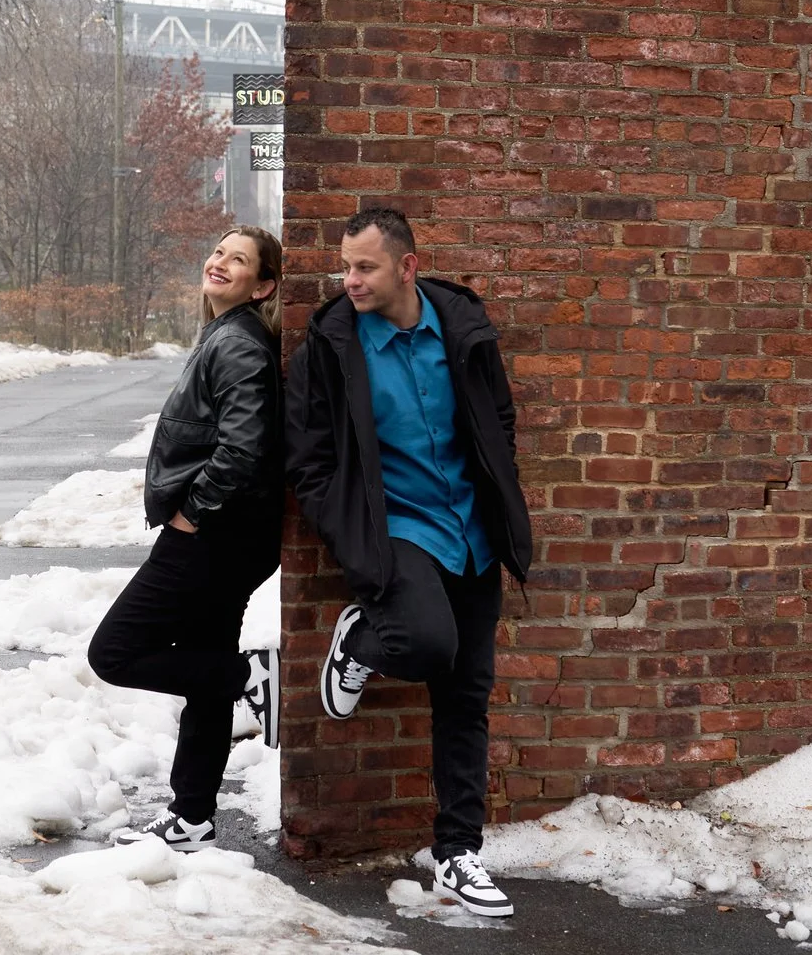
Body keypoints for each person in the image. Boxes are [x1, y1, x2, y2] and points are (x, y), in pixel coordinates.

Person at [285, 207, 532, 916]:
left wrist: (501, 481)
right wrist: (349, 532)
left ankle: (459, 853)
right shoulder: (333, 345)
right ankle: (362, 638)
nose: (349, 279)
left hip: (472, 529)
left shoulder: (460, 327)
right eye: (345, 265)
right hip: (397, 529)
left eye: (364, 266)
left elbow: (498, 417)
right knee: (424, 641)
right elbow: (309, 458)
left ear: (406, 266)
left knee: (466, 693)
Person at [87, 226, 286, 851]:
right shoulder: (228, 336)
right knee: (204, 667)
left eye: (240, 260)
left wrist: (194, 513)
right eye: (220, 252)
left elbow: (243, 446)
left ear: (265, 285)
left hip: (215, 536)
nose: (221, 263)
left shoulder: (240, 345)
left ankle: (253, 676)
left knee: (114, 652)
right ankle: (194, 815)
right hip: (233, 535)